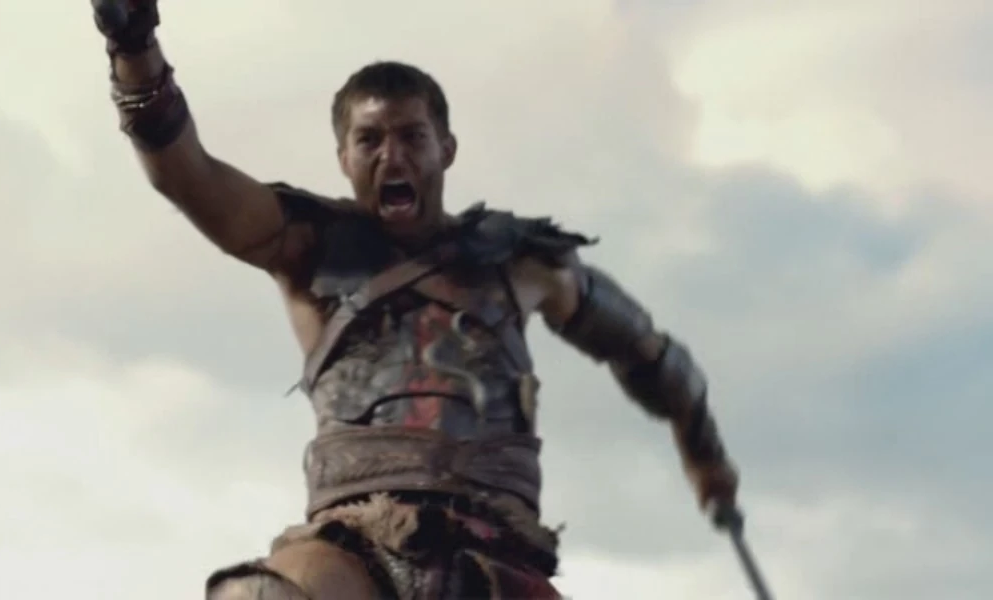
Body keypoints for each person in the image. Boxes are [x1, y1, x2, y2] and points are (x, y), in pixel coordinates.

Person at [91, 1, 740, 598]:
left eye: (411, 137)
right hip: (355, 543)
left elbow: (651, 356)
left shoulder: (524, 263)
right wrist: (132, 41)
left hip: (497, 551)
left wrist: (704, 455)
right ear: (343, 158)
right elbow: (188, 175)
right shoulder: (306, 248)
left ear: (446, 149)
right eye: (370, 140)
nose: (391, 156)